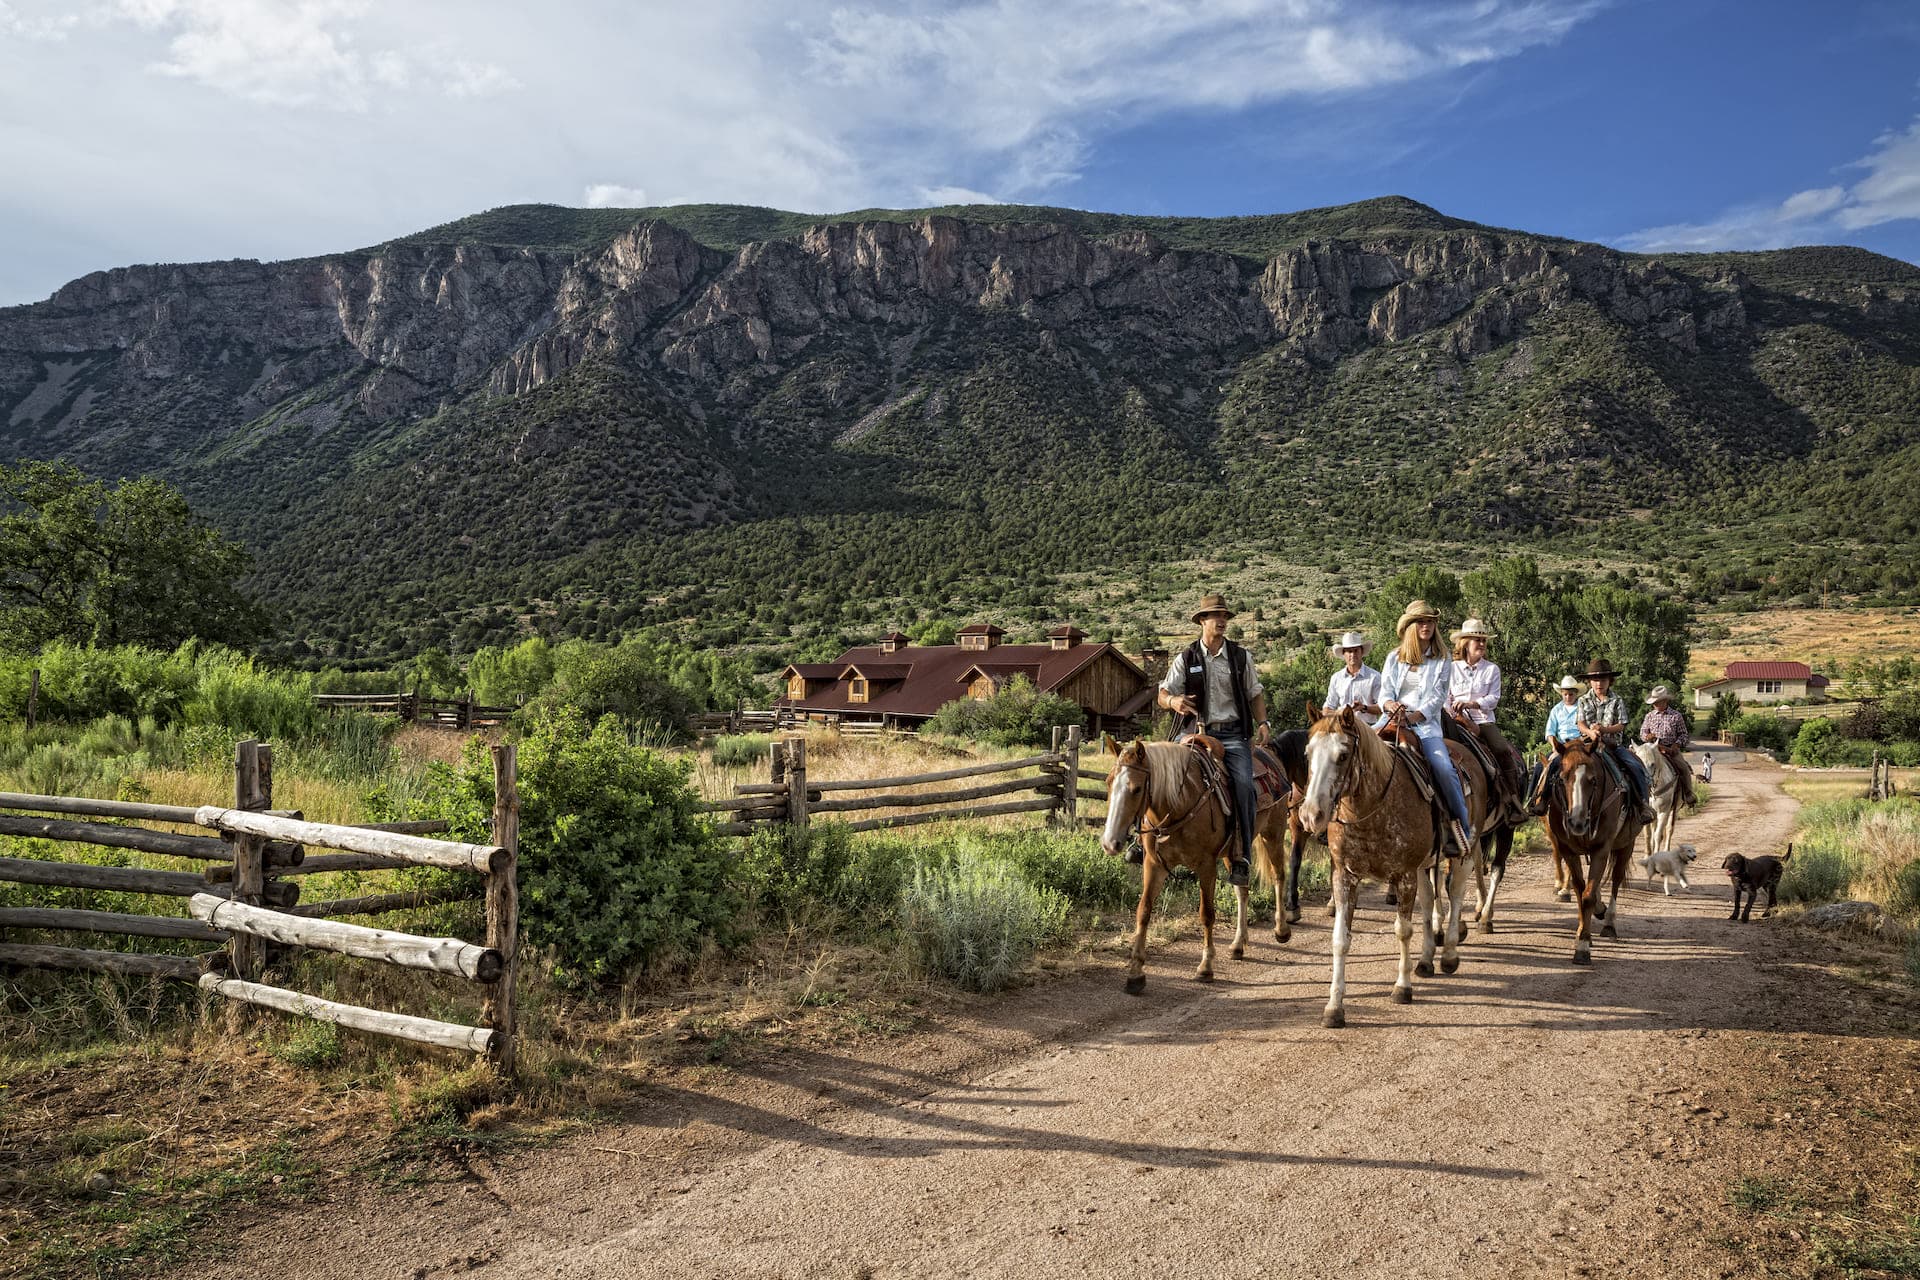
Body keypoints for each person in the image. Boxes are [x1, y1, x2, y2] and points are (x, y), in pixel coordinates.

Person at [1158, 594, 1269, 888]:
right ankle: (1146, 840)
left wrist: (1263, 723)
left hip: (1232, 734)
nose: (1222, 620)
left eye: (1224, 616)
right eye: (1215, 615)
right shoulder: (1187, 657)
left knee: (1245, 785)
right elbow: (1163, 694)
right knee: (1165, 775)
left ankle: (1241, 855)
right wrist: (1174, 701)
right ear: (1202, 621)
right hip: (1193, 732)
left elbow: (1254, 693)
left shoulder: (1240, 656)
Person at [1373, 600, 1474, 853]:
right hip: (1390, 720)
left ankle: (1461, 828)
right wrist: (1389, 705)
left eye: (1429, 621)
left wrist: (1416, 716)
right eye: (1420, 621)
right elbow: (1384, 692)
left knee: (1443, 768)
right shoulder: (1394, 658)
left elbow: (1438, 696)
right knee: (1356, 755)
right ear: (1410, 626)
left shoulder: (1442, 659)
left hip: (1424, 726)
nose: (1426, 626)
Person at [1446, 617, 1529, 823]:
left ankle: (1512, 801)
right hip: (1454, 721)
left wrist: (1471, 704)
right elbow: (1444, 697)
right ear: (1465, 643)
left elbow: (1494, 699)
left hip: (1483, 721)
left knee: (1501, 749)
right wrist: (1454, 712)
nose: (1482, 644)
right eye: (1477, 640)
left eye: (1484, 640)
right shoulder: (1450, 668)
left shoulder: (1491, 669)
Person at [1575, 658, 1654, 826]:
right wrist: (1591, 732)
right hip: (1587, 744)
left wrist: (1603, 730)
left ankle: (1643, 805)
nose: (1599, 684)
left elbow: (1622, 725)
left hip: (1612, 745)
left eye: (1603, 680)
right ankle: (1548, 802)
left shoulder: (1617, 700)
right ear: (1589, 682)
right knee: (1563, 765)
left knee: (1635, 766)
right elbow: (1580, 723)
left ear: (1610, 681)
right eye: (1595, 680)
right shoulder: (1582, 700)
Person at [1527, 675, 1584, 813]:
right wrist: (1554, 745)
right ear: (1561, 694)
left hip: (1579, 744)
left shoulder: (1582, 707)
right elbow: (1550, 732)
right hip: (1561, 746)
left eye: (1571, 694)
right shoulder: (1556, 710)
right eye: (1565, 694)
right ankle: (1533, 800)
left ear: (1576, 694)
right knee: (1542, 766)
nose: (1568, 697)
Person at [1639, 685, 1697, 807]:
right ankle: (1639, 797)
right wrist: (1647, 737)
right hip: (1652, 749)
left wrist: (1676, 745)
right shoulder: (1649, 716)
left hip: (1670, 749)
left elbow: (1683, 735)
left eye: (1657, 702)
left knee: (1683, 767)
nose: (1654, 704)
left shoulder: (1676, 716)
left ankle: (1688, 794)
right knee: (1639, 766)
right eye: (1653, 702)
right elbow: (1643, 732)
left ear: (1665, 701)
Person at [1323, 631, 1381, 720]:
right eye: (1349, 651)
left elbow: (1381, 707)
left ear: (1361, 652)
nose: (1353, 654)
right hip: (1342, 728)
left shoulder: (1375, 677)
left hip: (1367, 728)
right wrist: (1341, 713)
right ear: (1344, 654)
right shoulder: (1336, 678)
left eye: (1356, 650)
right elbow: (1328, 707)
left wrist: (1364, 708)